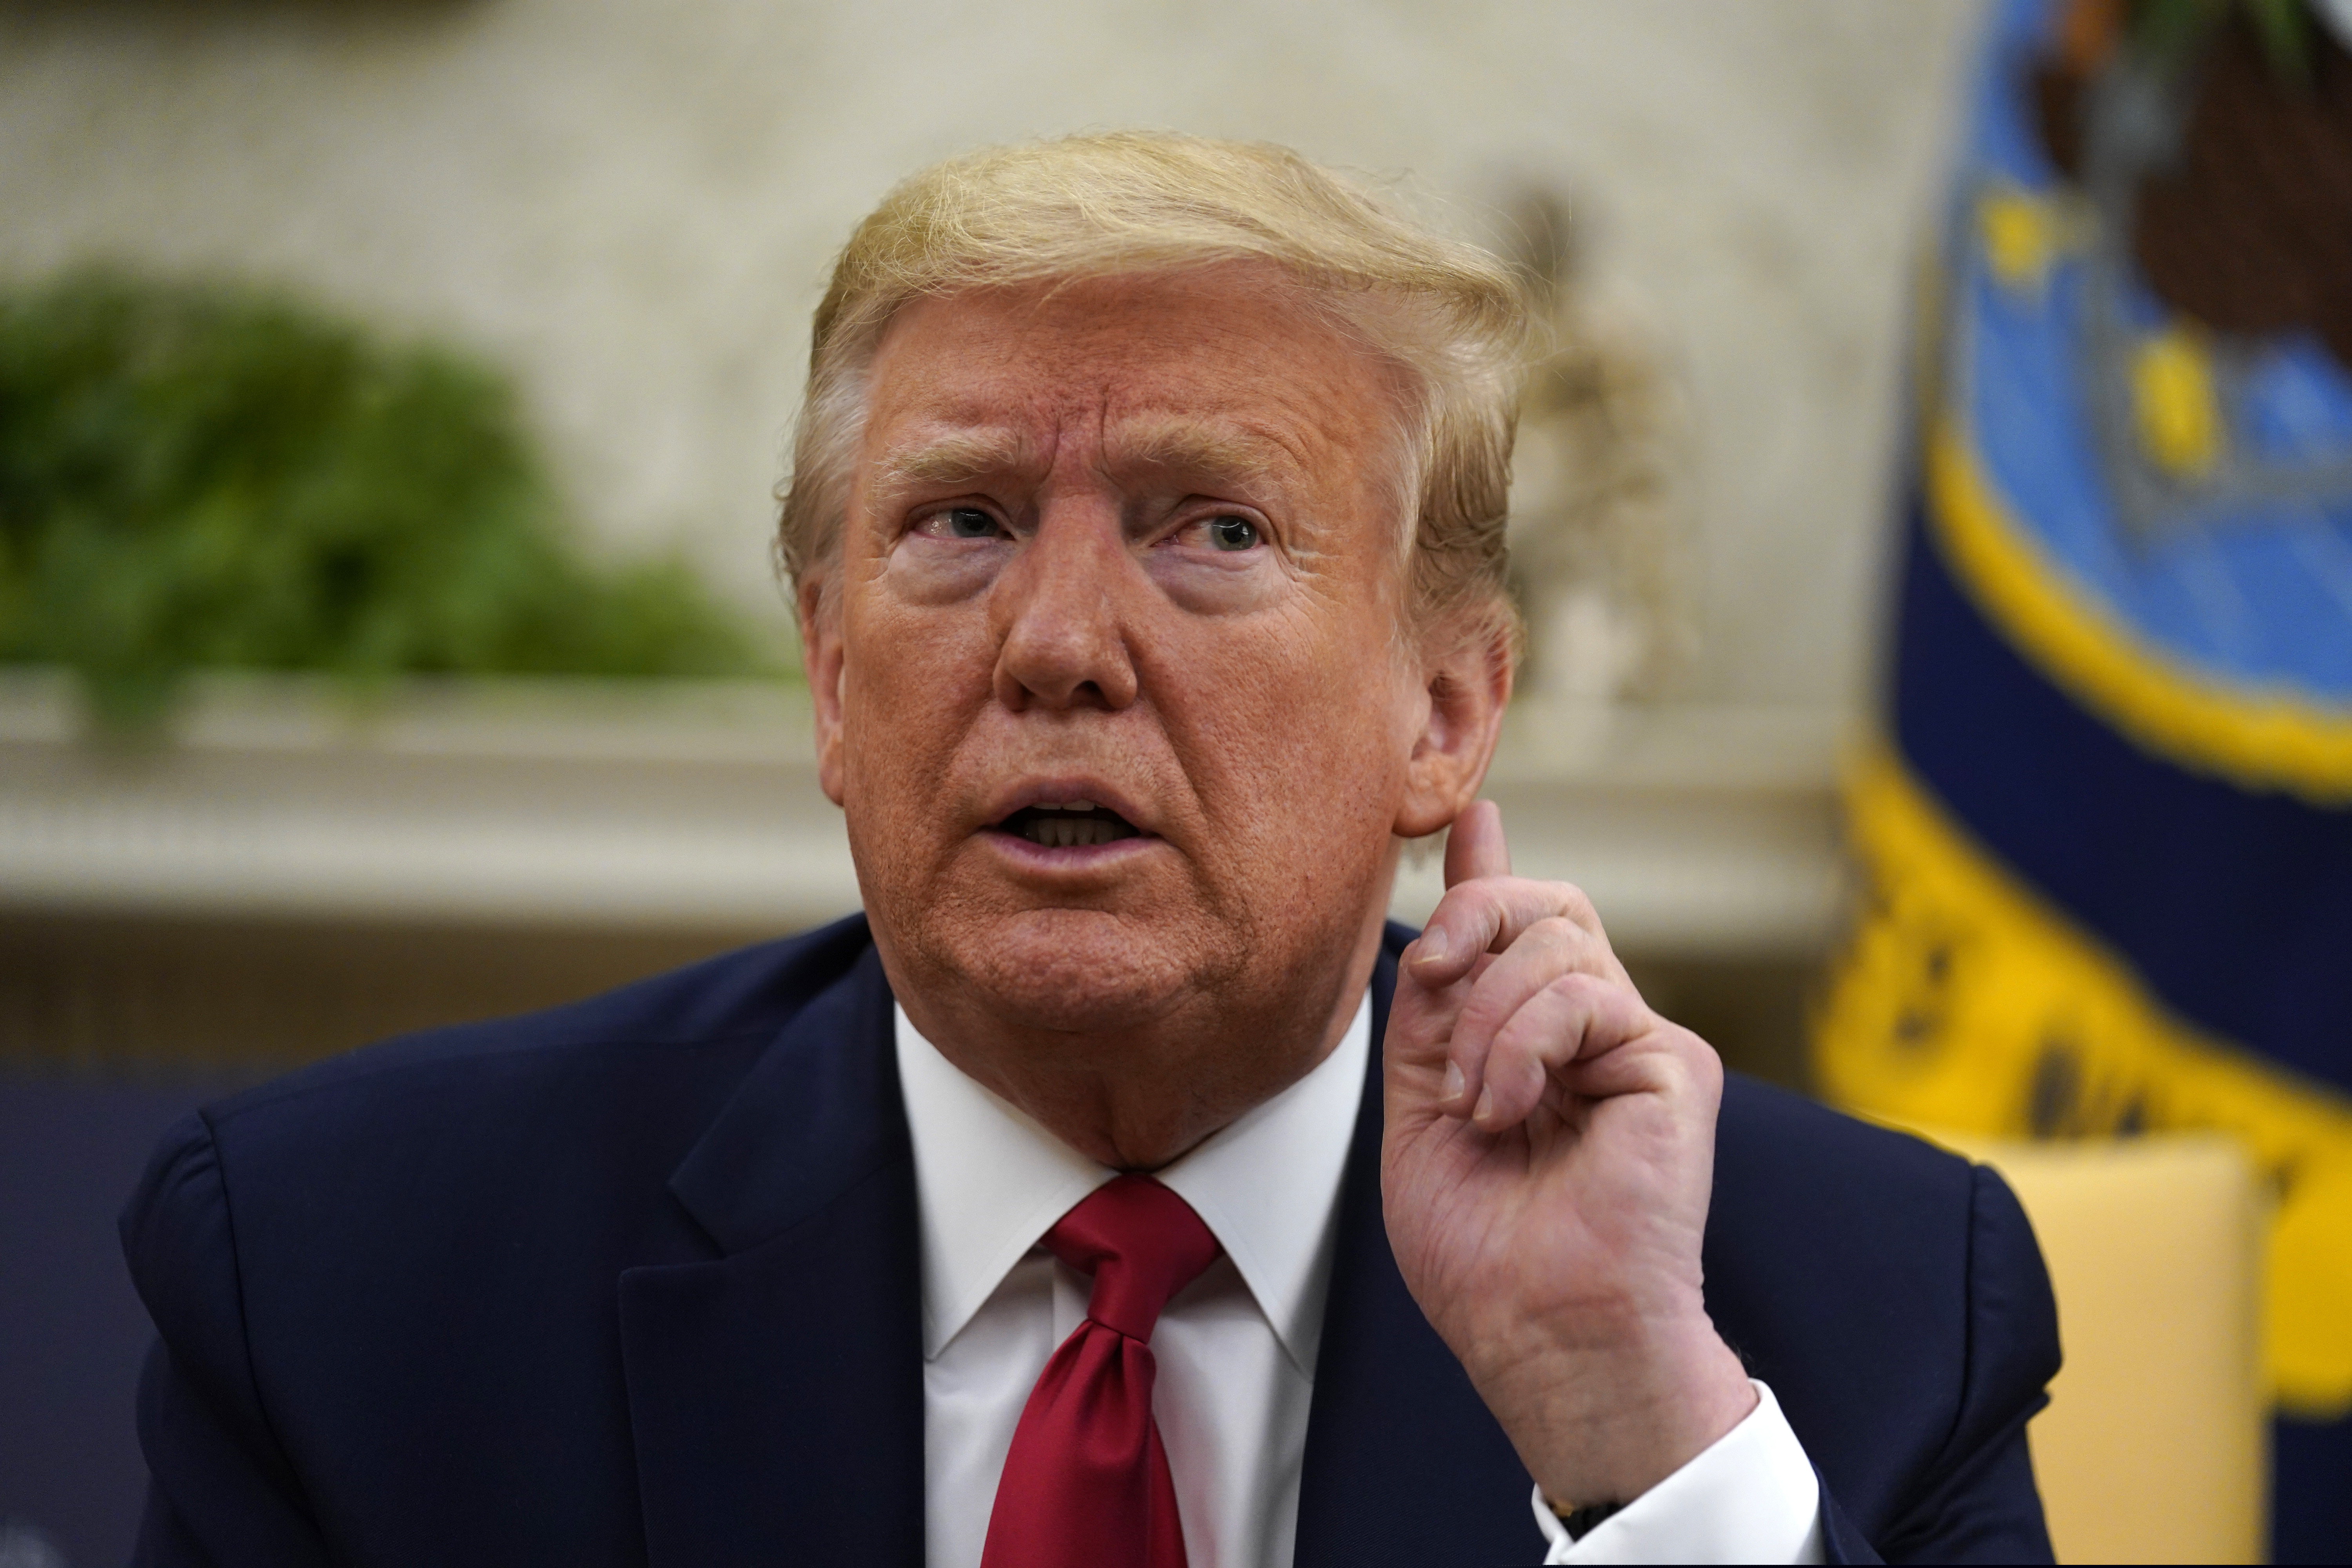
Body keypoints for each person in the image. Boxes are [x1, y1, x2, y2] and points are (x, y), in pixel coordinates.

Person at [120, 134, 2058, 1567]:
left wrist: (1627, 1432)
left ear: (1449, 710)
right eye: (959, 521)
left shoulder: (1849, 1307)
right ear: (826, 673)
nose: (1056, 643)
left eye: (1210, 529)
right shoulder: (346, 1285)